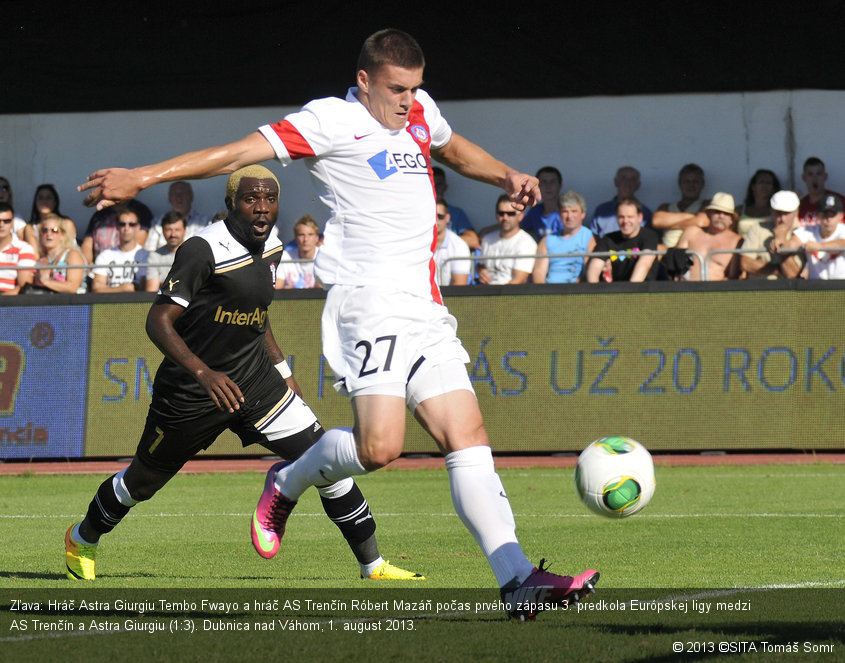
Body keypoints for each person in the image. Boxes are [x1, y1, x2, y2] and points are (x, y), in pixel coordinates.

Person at [79, 28, 599, 621]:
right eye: (396, 89)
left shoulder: (421, 113)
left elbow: (454, 150)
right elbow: (235, 153)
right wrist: (144, 177)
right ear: (364, 81)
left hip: (425, 306)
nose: (408, 101)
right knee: (381, 448)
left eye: (415, 89)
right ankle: (290, 480)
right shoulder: (329, 121)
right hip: (368, 303)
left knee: (468, 435)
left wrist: (507, 176)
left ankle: (518, 580)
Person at [66, 166, 422, 583]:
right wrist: (203, 373)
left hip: (255, 382)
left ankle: (372, 565)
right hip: (191, 393)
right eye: (251, 199)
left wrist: (283, 370)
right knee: (141, 483)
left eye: (270, 199)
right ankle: (81, 538)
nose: (262, 208)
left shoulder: (272, 246)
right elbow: (158, 321)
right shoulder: (202, 249)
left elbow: (257, 317)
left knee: (324, 457)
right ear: (230, 204)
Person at [585, 197, 659, 282]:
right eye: (621, 217)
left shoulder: (649, 236)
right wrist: (594, 292)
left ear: (640, 217)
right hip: (616, 291)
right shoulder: (608, 239)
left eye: (630, 217)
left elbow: (644, 264)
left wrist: (630, 292)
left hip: (643, 291)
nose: (625, 221)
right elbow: (594, 267)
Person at [674, 193, 744, 281]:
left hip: (718, 291)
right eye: (717, 212)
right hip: (686, 290)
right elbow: (676, 266)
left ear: (732, 219)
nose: (721, 216)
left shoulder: (737, 241)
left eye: (726, 213)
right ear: (708, 214)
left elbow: (734, 277)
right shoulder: (691, 232)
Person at [532, 190, 595, 284]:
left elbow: (589, 272)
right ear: (559, 214)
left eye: (574, 211)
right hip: (549, 292)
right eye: (565, 211)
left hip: (577, 291)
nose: (569, 216)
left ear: (583, 214)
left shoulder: (590, 238)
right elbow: (539, 273)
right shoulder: (547, 240)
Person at [740, 190, 804, 280]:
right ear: (771, 211)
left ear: (796, 212)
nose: (782, 218)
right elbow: (745, 263)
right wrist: (776, 269)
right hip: (761, 289)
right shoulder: (758, 228)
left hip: (789, 291)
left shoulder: (803, 233)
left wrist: (780, 238)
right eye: (778, 213)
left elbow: (792, 275)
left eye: (786, 213)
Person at [477, 195, 538, 285]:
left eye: (510, 214)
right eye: (501, 213)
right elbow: (481, 265)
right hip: (484, 292)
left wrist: (499, 297)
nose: (505, 217)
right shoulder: (487, 239)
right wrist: (480, 270)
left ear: (520, 216)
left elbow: (519, 280)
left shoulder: (527, 243)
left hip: (511, 295)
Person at [90, 205, 149, 292]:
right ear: (117, 227)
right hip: (110, 304)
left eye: (132, 224)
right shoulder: (105, 255)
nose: (126, 228)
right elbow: (97, 288)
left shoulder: (147, 256)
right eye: (122, 224)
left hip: (138, 304)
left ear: (138, 227)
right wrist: (123, 289)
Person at [81, 199, 153, 264]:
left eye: (131, 224)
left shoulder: (141, 211)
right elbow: (87, 245)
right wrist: (87, 268)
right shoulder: (99, 214)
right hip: (100, 266)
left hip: (128, 266)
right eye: (122, 224)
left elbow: (139, 244)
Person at [144, 181, 210, 251]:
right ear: (169, 199)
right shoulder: (158, 221)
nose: (179, 197)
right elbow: (149, 250)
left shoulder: (203, 222)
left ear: (191, 197)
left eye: (183, 193)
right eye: (175, 194)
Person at [589, 166, 653, 238]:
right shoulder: (601, 211)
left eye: (633, 179)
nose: (627, 183)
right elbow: (593, 239)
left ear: (638, 185)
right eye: (623, 178)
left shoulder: (645, 213)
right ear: (616, 182)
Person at [30, 214, 87, 294]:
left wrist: (45, 282)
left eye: (54, 230)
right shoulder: (40, 261)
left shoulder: (72, 254)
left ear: (62, 235)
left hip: (74, 304)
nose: (49, 234)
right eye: (44, 230)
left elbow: (72, 287)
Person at [793, 194, 845, 279]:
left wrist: (819, 246)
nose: (829, 219)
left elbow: (843, 243)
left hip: (842, 285)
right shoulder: (808, 230)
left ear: (841, 215)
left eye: (832, 215)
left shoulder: (843, 229)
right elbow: (790, 245)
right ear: (817, 214)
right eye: (825, 215)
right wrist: (780, 237)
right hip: (816, 286)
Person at [655, 164, 706, 248]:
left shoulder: (706, 204)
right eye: (687, 182)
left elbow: (702, 222)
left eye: (695, 182)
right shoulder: (665, 207)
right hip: (666, 255)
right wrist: (692, 218)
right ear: (679, 184)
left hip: (692, 255)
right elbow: (656, 221)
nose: (691, 185)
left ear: (702, 184)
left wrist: (668, 223)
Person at [23, 184, 76, 257]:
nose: (44, 201)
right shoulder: (30, 228)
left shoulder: (67, 223)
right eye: (40, 198)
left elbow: (68, 249)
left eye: (48, 198)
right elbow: (35, 256)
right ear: (35, 202)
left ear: (55, 202)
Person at [145, 211, 187, 292]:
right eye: (168, 230)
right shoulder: (154, 256)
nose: (173, 234)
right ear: (163, 231)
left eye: (177, 230)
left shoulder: (193, 254)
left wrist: (163, 284)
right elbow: (151, 291)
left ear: (185, 231)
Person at [432, 166, 475, 244]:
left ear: (445, 187)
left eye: (439, 185)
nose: (435, 188)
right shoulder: (418, 212)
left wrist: (442, 239)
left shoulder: (456, 213)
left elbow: (473, 240)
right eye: (432, 184)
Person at [433, 198, 471, 285]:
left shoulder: (459, 246)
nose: (436, 220)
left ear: (447, 217)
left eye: (440, 216)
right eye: (433, 216)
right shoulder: (417, 242)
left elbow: (459, 287)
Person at [798, 157, 845, 227]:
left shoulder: (839, 201)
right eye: (810, 174)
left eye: (818, 174)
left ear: (825, 177)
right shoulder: (799, 205)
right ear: (804, 177)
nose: (815, 179)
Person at [276, 215, 321, 289]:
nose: (306, 239)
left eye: (310, 235)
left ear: (317, 238)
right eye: (301, 235)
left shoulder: (323, 256)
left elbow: (321, 291)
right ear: (296, 238)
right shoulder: (285, 257)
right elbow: (277, 289)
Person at [520, 166, 563, 242]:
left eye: (552, 182)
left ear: (560, 186)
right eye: (544, 182)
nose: (548, 186)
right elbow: (515, 228)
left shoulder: (567, 212)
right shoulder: (535, 211)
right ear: (537, 186)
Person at [0, 202, 36, 295]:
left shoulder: (24, 248)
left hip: (8, 302)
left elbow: (24, 287)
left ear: (13, 223)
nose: (1, 225)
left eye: (6, 221)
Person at [736, 169, 781, 236]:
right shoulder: (739, 210)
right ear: (753, 186)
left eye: (768, 183)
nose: (765, 185)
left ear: (774, 188)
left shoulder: (779, 212)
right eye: (761, 182)